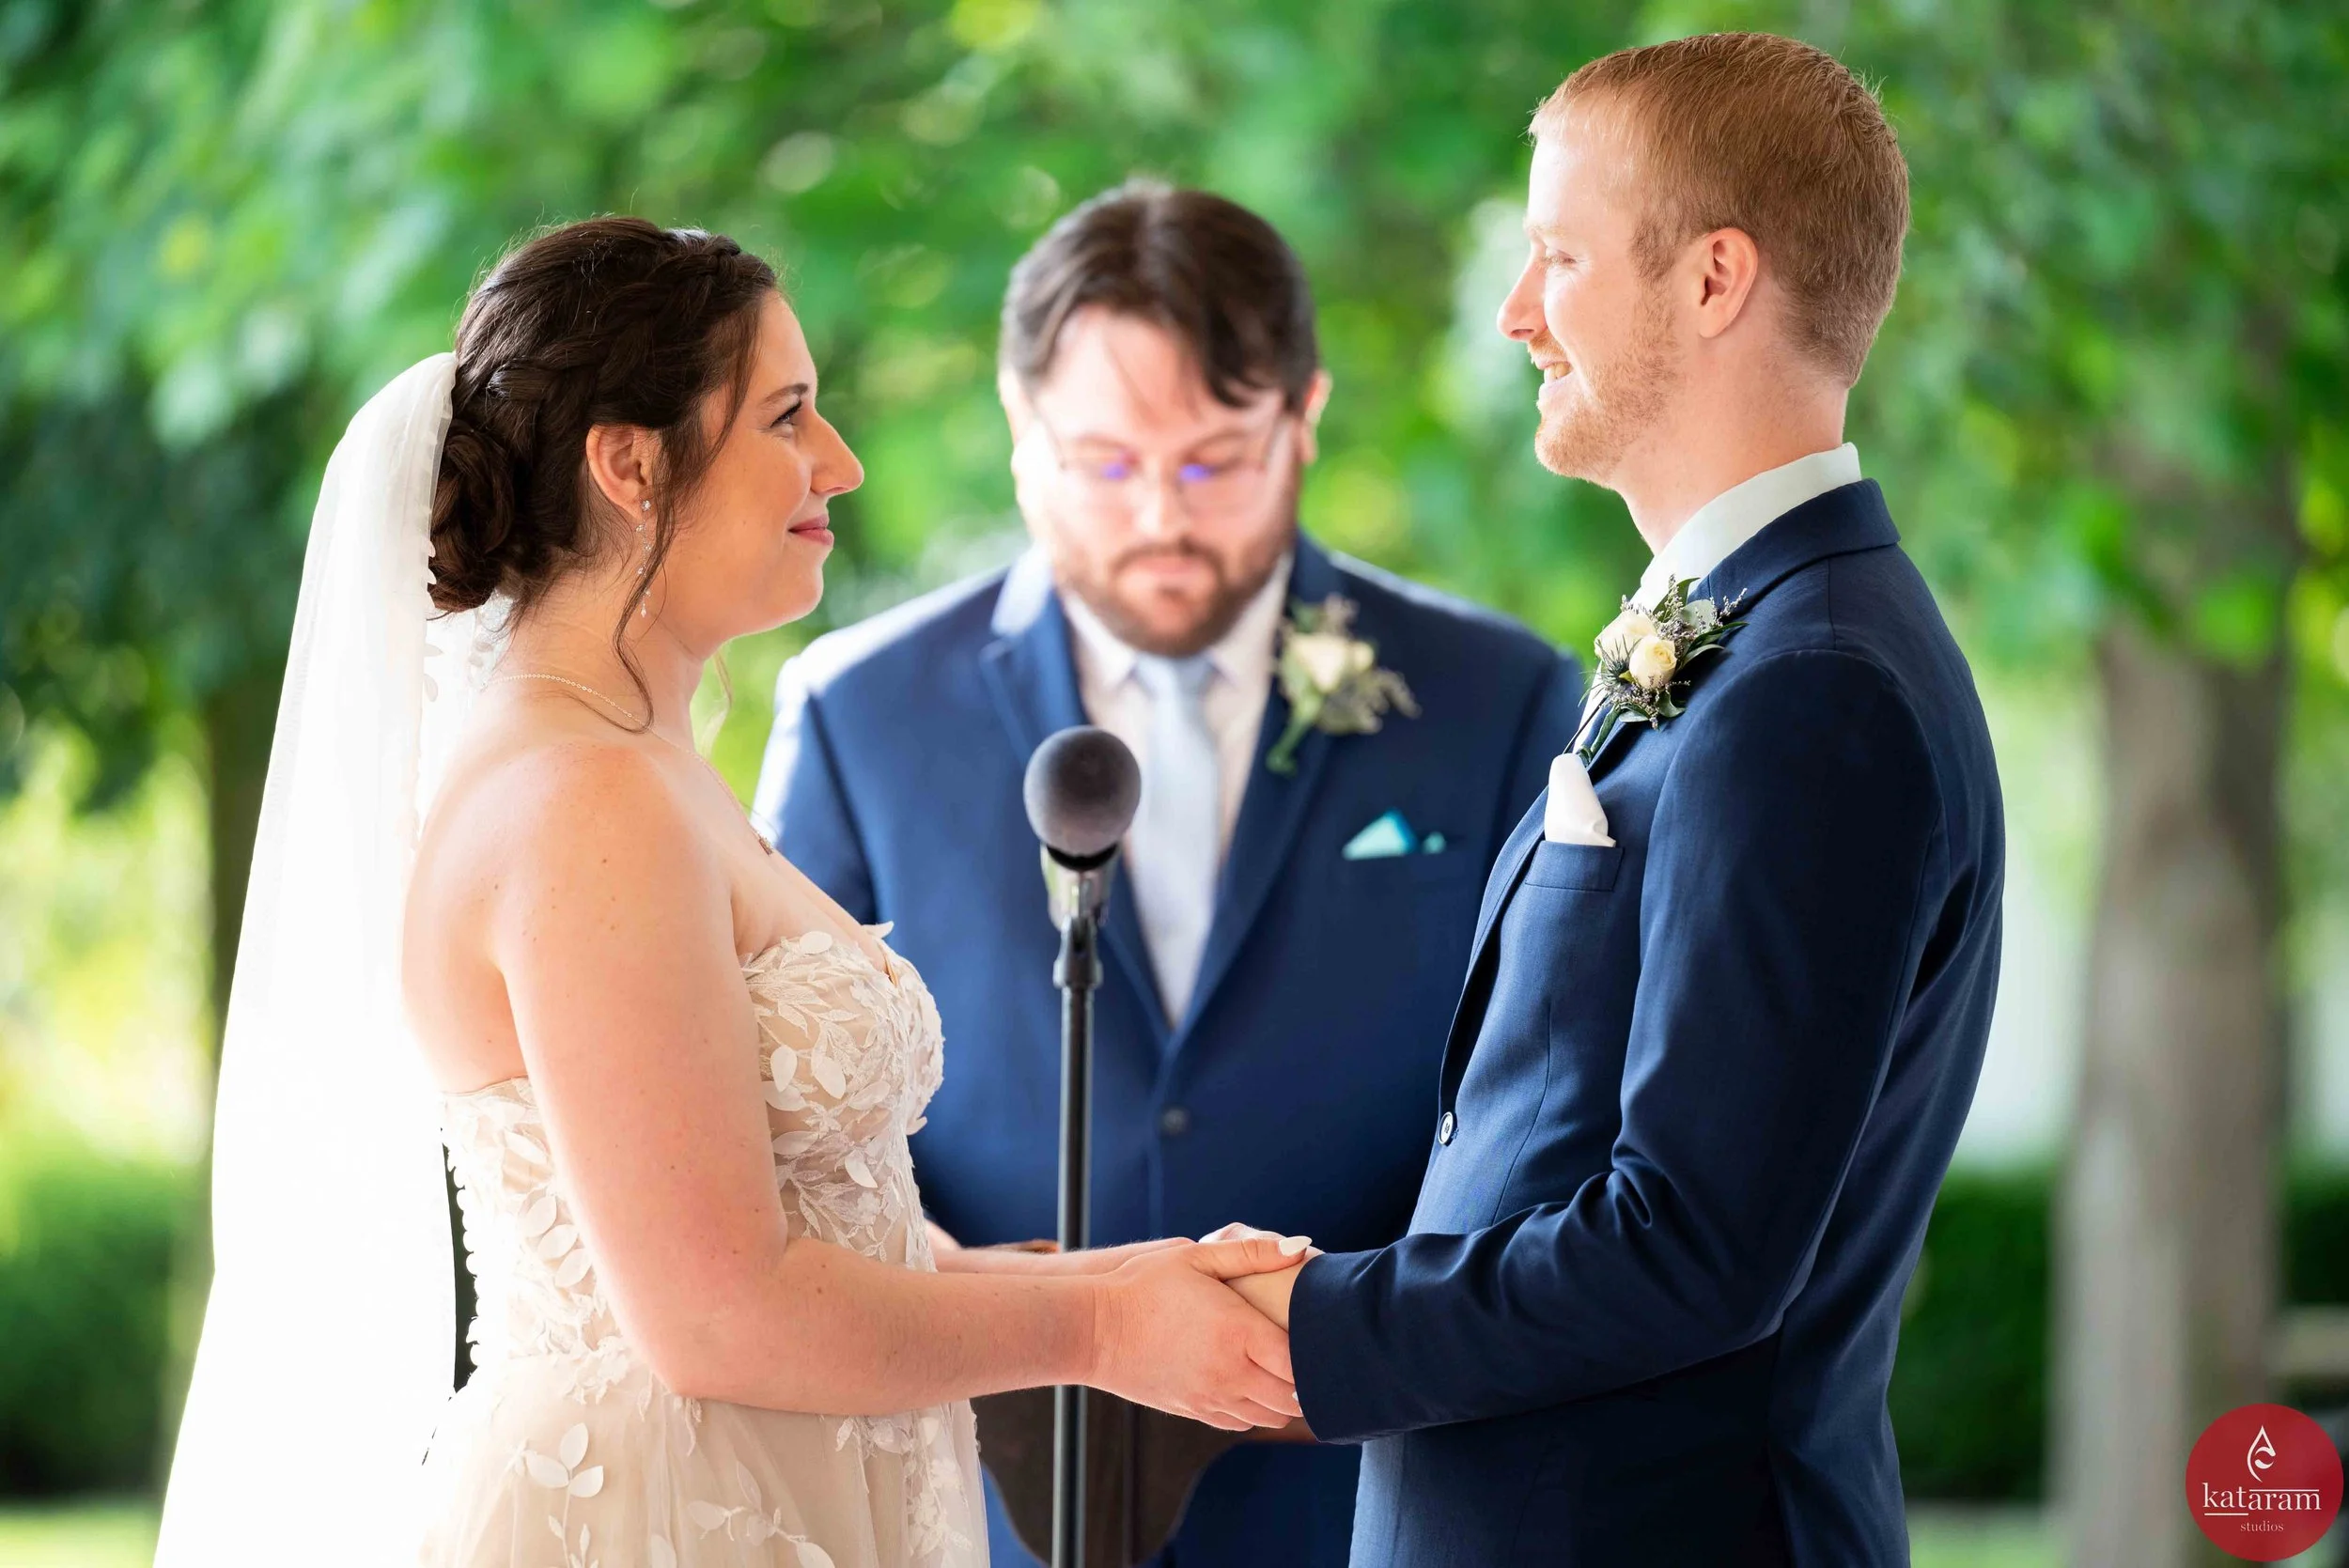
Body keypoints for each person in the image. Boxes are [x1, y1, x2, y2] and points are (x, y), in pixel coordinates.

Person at [155, 217, 1314, 1568]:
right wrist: (1107, 1332)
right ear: (631, 464)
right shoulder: (582, 799)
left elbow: (818, 1230)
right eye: (788, 415)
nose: (841, 463)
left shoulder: (643, 765)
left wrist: (1143, 1277)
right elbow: (715, 1313)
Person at [1230, 34, 2007, 1566]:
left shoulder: (1814, 687)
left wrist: (1307, 1330)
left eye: (1560, 256)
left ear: (1717, 278)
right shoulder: (1758, 634)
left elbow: (1694, 1248)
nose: (1519, 315)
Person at [754, 183, 1580, 1566]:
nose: (1159, 517)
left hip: (1369, 1491)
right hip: (985, 1496)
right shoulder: (859, 712)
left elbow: (1545, 1104)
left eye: (1212, 463)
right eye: (1104, 464)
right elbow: (795, 1141)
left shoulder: (1496, 700)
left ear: (1303, 418)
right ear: (1021, 435)